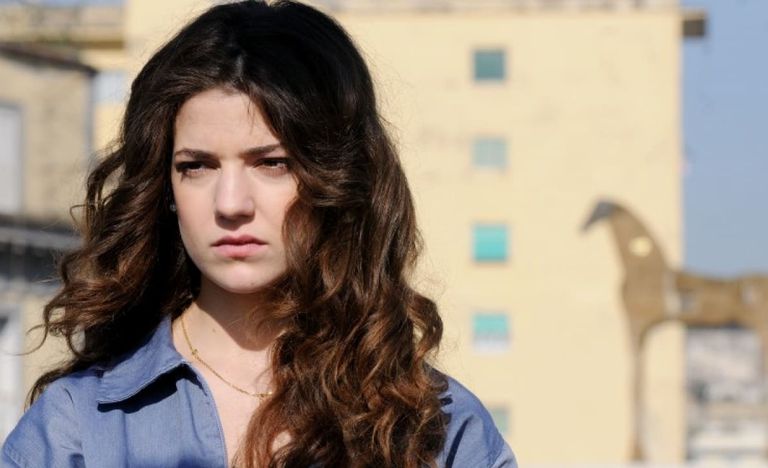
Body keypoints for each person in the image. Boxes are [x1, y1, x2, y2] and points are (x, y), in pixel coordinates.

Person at [1, 1, 516, 467]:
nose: (231, 204)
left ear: (336, 179)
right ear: (164, 188)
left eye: (272, 163)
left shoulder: (438, 429)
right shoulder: (76, 428)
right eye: (196, 166)